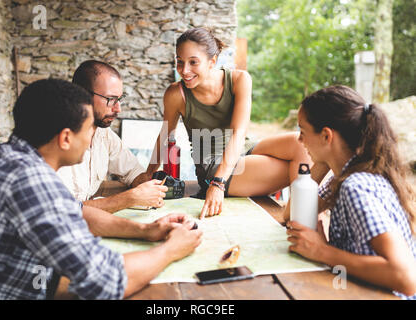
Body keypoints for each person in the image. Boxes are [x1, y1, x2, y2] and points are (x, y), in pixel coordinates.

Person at [0, 79, 202, 300]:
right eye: (90, 128)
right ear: (66, 138)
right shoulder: (33, 181)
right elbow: (106, 280)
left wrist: (147, 230)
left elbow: (76, 211)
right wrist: (172, 249)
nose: (93, 136)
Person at [146, 27, 311, 219]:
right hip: (213, 164)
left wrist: (219, 184)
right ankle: (300, 220)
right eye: (180, 62)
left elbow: (239, 133)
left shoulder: (240, 79)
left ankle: (296, 218)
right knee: (297, 169)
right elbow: (166, 136)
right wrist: (148, 173)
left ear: (212, 61)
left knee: (301, 144)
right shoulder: (176, 94)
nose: (185, 70)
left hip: (244, 147)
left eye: (193, 62)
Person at [285, 85, 416, 299]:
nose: (299, 140)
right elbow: (291, 213)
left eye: (303, 131)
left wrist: (321, 251)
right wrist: (326, 157)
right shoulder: (347, 175)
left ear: (327, 136)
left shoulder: (356, 186)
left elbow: (407, 277)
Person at [57, 60, 166, 213]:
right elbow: (64, 209)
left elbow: (133, 173)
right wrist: (130, 198)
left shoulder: (104, 135)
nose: (118, 109)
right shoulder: (57, 140)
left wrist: (151, 185)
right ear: (82, 95)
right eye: (110, 99)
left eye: (119, 99)